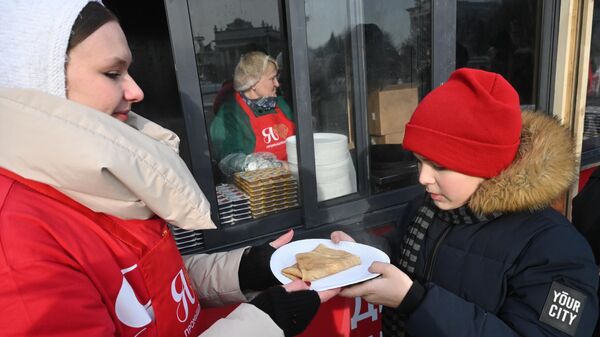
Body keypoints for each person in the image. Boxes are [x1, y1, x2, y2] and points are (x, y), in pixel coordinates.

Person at [0, 1, 338, 336]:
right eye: (112, 73)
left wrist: (245, 270)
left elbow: (151, 286)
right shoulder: (16, 237)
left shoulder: (104, 187)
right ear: (39, 82)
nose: (136, 90)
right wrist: (263, 324)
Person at [331, 68, 599, 336]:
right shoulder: (428, 208)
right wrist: (363, 252)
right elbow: (403, 248)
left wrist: (416, 301)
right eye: (419, 161)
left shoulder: (557, 249)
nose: (423, 177)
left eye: (440, 165)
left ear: (487, 166)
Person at [209, 51, 295, 164]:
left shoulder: (282, 104)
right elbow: (228, 159)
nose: (277, 84)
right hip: (257, 180)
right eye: (272, 78)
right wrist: (271, 166)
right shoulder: (230, 114)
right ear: (253, 83)